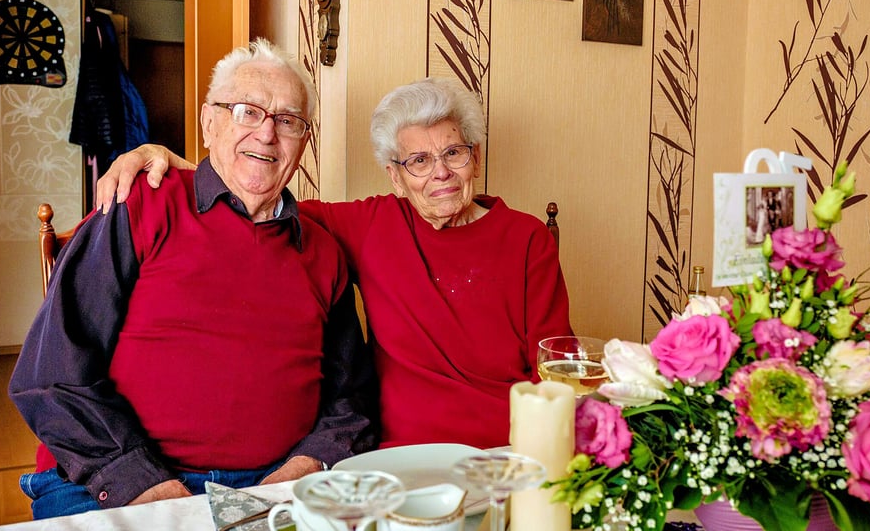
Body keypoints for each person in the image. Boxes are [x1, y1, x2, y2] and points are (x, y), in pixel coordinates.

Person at [97, 77, 573, 450]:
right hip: (399, 453)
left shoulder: (526, 237)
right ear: (395, 175)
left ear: (476, 156)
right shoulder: (373, 224)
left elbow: (556, 369)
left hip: (507, 446)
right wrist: (167, 158)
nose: (441, 173)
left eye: (453, 153)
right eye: (419, 161)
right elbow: (256, 196)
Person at [10, 38, 377, 519]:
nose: (267, 134)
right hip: (113, 478)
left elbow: (351, 401)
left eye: (287, 121)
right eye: (246, 111)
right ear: (209, 123)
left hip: (271, 485)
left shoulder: (322, 252)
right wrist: (158, 494)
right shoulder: (141, 203)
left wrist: (289, 481)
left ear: (303, 141)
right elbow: (50, 379)